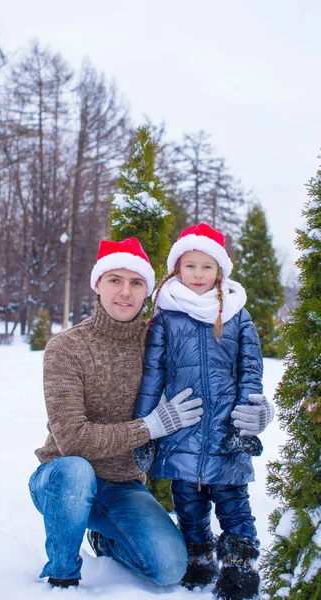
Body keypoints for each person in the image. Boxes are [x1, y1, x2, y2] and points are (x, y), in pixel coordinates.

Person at [28, 237, 205, 589]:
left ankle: (107, 540)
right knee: (78, 471)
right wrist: (148, 427)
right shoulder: (66, 348)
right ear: (98, 285)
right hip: (61, 480)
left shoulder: (160, 342)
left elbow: (206, 386)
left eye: (136, 283)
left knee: (170, 568)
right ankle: (62, 573)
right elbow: (74, 440)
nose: (125, 292)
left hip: (122, 486)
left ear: (147, 292)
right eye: (115, 280)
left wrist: (252, 406)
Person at [134, 223, 275, 600]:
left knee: (234, 507)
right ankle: (199, 558)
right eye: (190, 266)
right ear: (177, 268)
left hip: (226, 433)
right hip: (183, 433)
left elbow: (251, 368)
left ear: (221, 272)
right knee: (189, 506)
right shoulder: (166, 317)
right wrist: (145, 429)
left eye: (206, 267)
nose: (198, 275)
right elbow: (152, 376)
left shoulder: (237, 315)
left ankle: (239, 568)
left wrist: (249, 414)